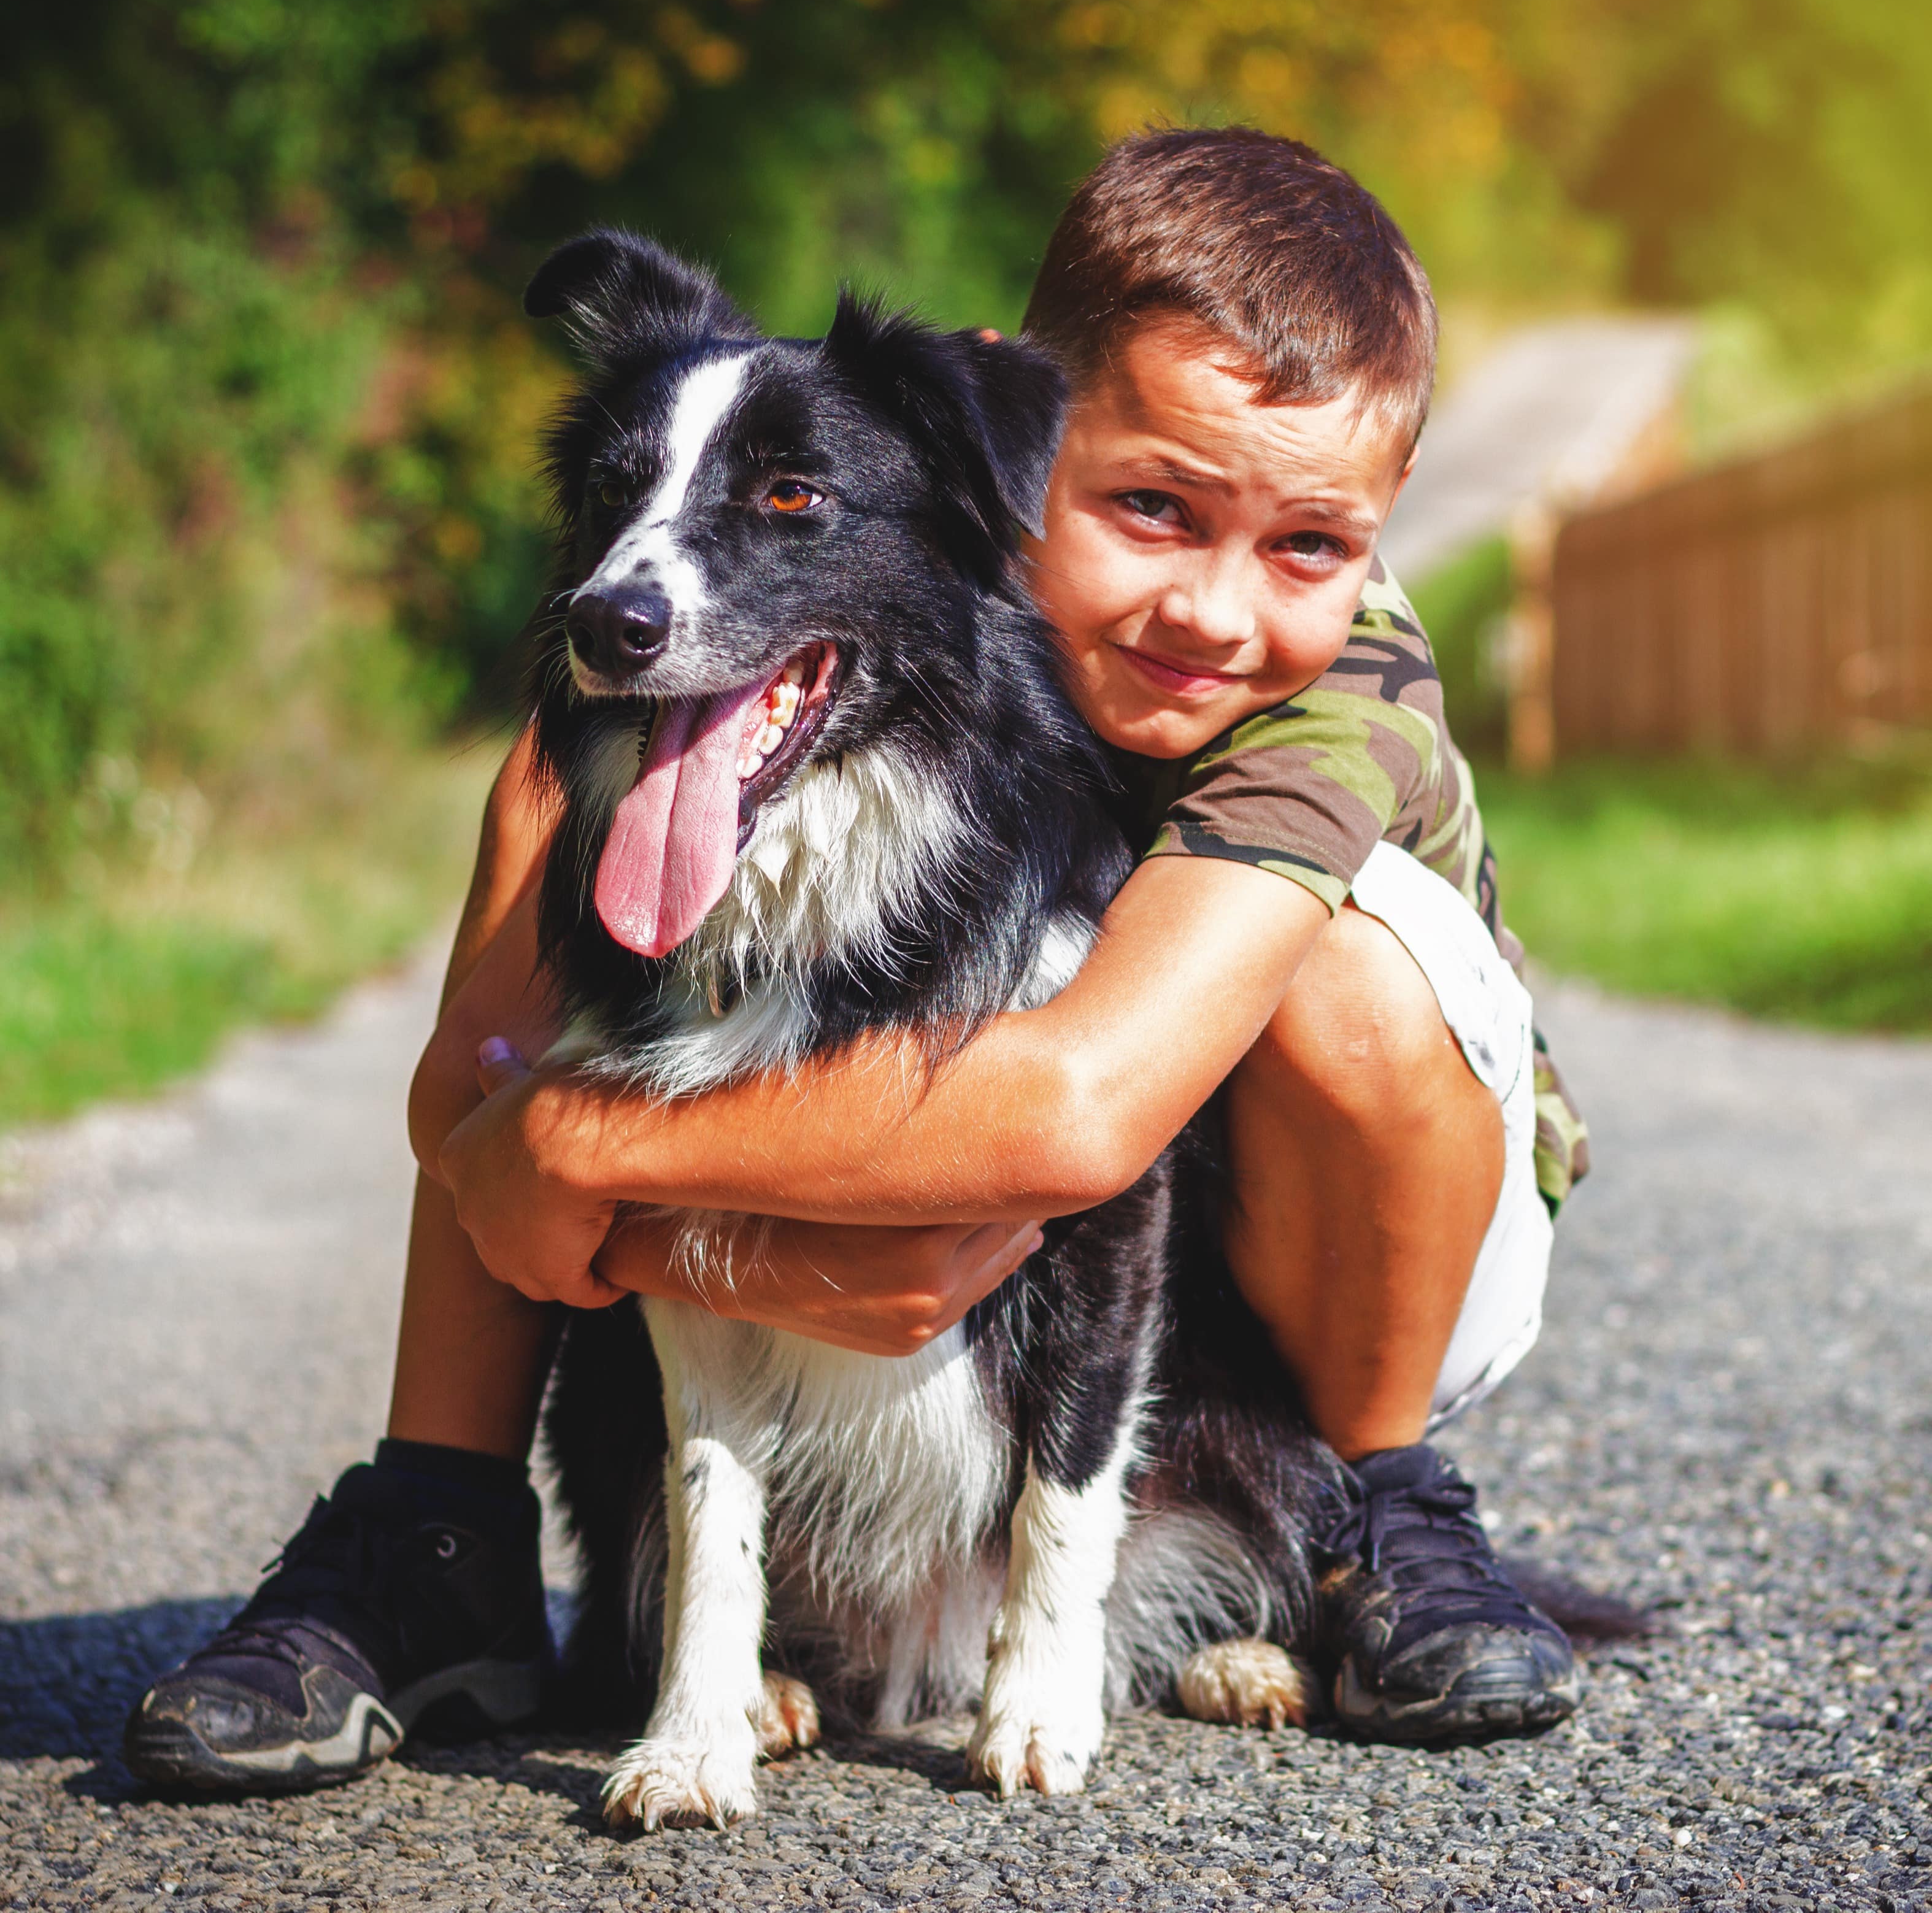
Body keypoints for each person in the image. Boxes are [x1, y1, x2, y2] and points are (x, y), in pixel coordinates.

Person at [126, 126, 1590, 1793]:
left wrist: (575, 1147)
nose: (1212, 607)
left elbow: (1077, 1116)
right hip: (999, 1171)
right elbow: (465, 1077)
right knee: (619, 719)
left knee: (1346, 965)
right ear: (1024, 417)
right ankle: (433, 1529)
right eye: (1147, 509)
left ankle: (1374, 1514)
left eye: (1306, 548)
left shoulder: (1333, 691)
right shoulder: (910, 449)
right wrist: (548, 1135)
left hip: (1325, 1239)